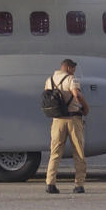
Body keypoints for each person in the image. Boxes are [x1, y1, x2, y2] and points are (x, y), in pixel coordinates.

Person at [44, 58, 90, 194]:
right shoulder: (71, 79)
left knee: (55, 152)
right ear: (69, 68)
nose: (74, 72)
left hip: (57, 120)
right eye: (73, 69)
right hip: (73, 119)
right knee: (78, 152)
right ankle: (79, 184)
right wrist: (86, 108)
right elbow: (76, 94)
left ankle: (50, 183)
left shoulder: (49, 80)